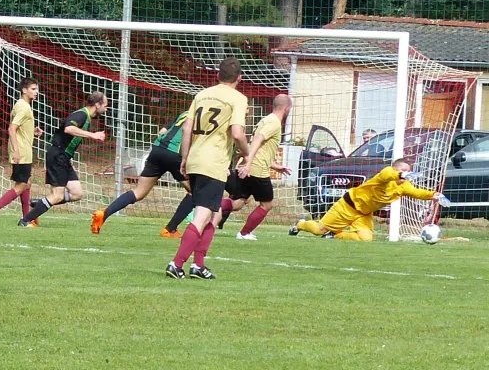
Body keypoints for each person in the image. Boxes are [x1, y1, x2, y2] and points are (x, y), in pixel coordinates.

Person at [166, 57, 250, 280]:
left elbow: (186, 129)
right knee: (203, 215)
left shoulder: (201, 95)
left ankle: (198, 265)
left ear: (217, 76)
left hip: (195, 158)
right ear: (239, 78)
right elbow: (237, 133)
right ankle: (176, 263)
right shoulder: (238, 98)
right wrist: (247, 152)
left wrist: (184, 158)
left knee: (214, 213)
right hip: (213, 163)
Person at [288, 158, 451, 241]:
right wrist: (400, 174)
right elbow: (387, 173)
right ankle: (300, 224)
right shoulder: (384, 176)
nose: (407, 174)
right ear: (395, 170)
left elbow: (417, 192)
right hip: (347, 206)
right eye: (403, 170)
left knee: (366, 239)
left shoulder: (403, 186)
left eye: (409, 171)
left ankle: (334, 235)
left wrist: (434, 195)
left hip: (364, 214)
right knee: (318, 230)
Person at [90, 111, 192, 236]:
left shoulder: (185, 113)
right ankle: (170, 229)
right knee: (195, 192)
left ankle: (104, 213)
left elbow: (163, 130)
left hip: (157, 150)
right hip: (174, 154)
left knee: (139, 192)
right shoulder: (201, 116)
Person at [18, 92, 108, 227]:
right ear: (97, 104)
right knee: (58, 195)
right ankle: (25, 221)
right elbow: (68, 128)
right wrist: (93, 135)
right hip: (58, 155)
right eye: (105, 105)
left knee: (77, 193)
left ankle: (41, 203)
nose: (106, 109)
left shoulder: (86, 116)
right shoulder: (82, 114)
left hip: (64, 158)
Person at [222, 94, 293, 240]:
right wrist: (249, 164)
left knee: (237, 203)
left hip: (250, 166)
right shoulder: (274, 123)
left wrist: (275, 166)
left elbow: (261, 148)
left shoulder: (265, 120)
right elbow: (258, 141)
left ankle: (208, 207)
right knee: (267, 204)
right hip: (256, 170)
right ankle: (244, 233)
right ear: (286, 109)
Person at [0, 78, 43, 220]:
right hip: (22, 151)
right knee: (22, 185)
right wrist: (16, 151)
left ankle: (26, 218)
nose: (36, 92)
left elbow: (18, 127)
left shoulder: (20, 104)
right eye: (33, 89)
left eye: (37, 89)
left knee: (26, 182)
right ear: (24, 90)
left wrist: (32, 131)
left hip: (23, 150)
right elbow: (12, 129)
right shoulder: (24, 107)